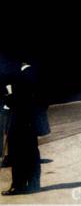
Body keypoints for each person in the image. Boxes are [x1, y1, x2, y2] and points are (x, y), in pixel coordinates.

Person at [2, 61, 41, 195]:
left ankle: (19, 185)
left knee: (17, 153)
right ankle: (34, 184)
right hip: (31, 120)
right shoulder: (35, 72)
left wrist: (8, 97)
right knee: (32, 152)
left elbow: (17, 100)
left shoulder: (22, 76)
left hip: (20, 120)